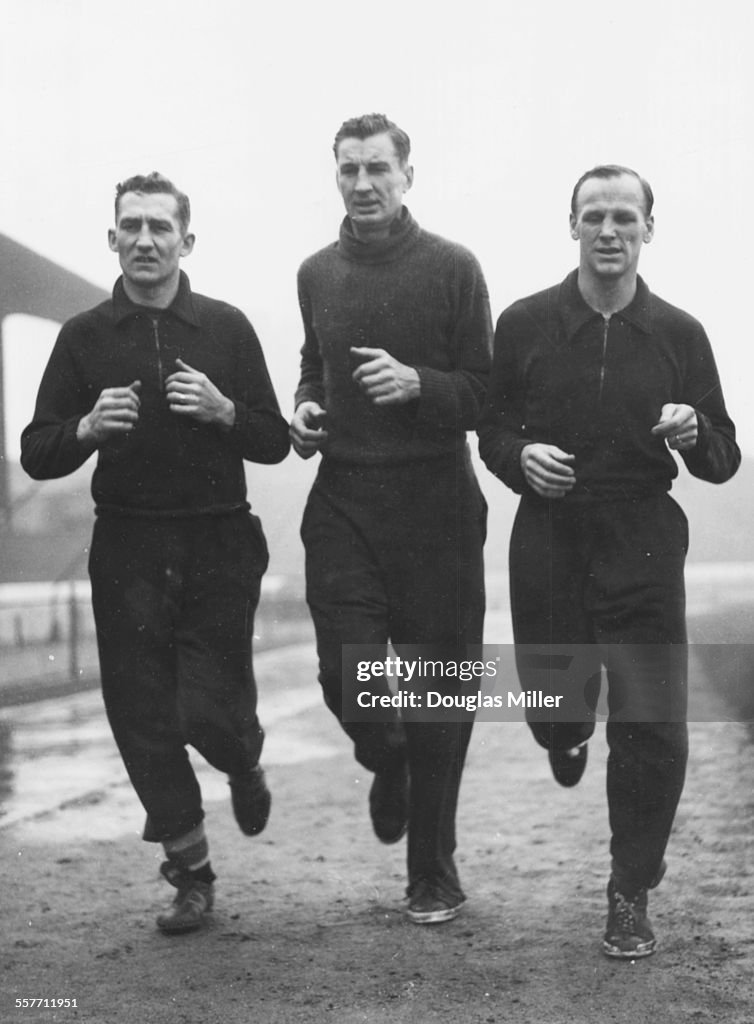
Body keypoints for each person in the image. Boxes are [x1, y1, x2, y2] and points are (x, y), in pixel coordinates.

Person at [478, 164, 740, 958]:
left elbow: (724, 456)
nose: (609, 230)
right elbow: (489, 430)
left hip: (644, 538)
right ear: (572, 226)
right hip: (549, 538)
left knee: (652, 723)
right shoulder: (524, 324)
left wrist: (695, 427)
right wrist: (522, 457)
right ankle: (563, 736)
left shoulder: (679, 333)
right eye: (594, 215)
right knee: (555, 707)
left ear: (648, 231)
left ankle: (630, 891)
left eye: (625, 216)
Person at [21, 172, 290, 934]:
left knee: (208, 708)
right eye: (130, 227)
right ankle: (191, 872)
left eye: (159, 228)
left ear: (186, 241)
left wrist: (224, 408)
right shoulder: (84, 338)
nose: (145, 240)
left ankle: (241, 759)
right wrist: (84, 431)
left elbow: (273, 439)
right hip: (128, 543)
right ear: (113, 239)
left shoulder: (226, 327)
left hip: (218, 539)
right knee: (141, 714)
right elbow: (37, 451)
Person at [290, 113, 492, 924]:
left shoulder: (453, 267)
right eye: (349, 169)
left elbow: (487, 390)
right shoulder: (314, 273)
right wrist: (307, 407)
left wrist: (421, 386)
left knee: (442, 690)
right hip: (344, 499)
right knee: (350, 675)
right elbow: (314, 365)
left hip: (437, 502)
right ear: (335, 176)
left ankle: (432, 871)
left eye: (378, 168)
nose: (364, 183)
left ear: (409, 175)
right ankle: (388, 757)